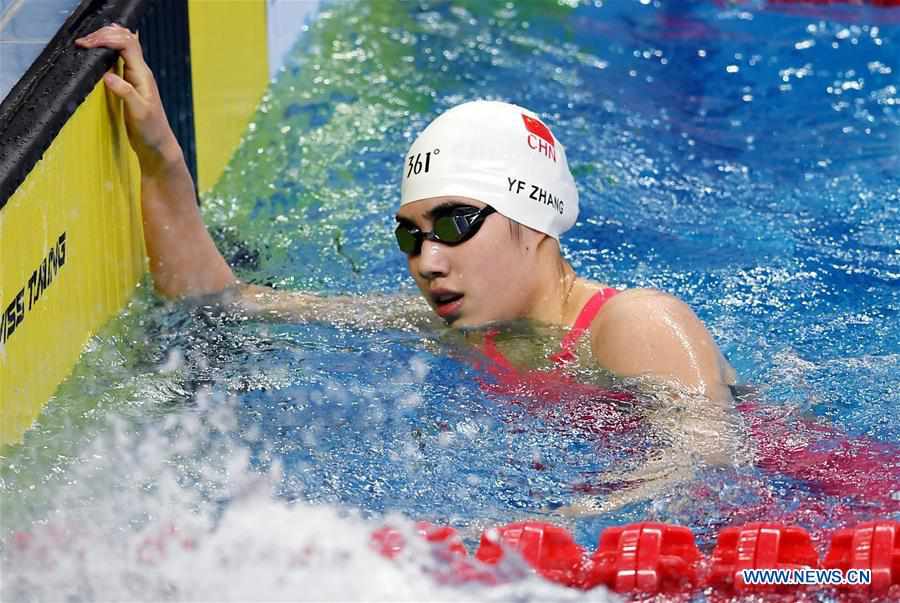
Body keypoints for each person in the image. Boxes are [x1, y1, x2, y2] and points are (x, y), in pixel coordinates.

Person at [75, 25, 740, 512]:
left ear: (533, 219)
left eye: (454, 223)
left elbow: (702, 464)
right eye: (411, 235)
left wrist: (551, 522)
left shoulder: (636, 324)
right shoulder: (454, 328)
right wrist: (159, 152)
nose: (428, 259)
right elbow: (219, 297)